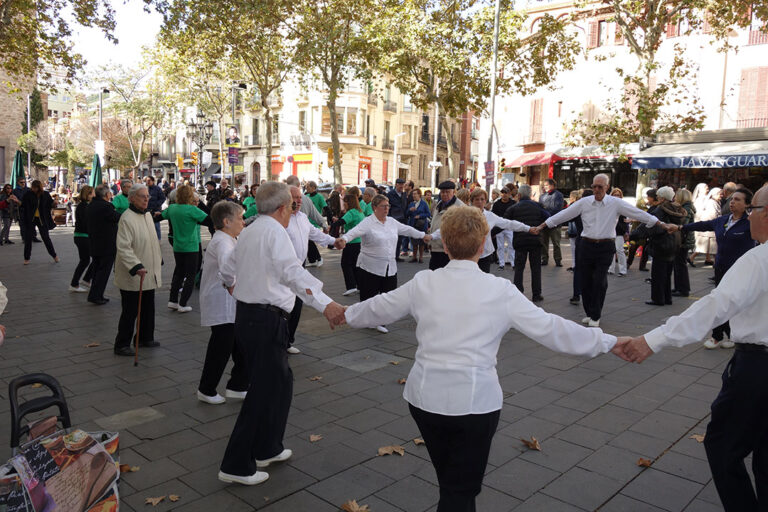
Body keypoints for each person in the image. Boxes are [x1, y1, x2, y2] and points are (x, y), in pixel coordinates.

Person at [336, 206, 629, 512]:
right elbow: (551, 328)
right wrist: (608, 342)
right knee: (460, 489)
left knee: (453, 482)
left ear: (445, 245)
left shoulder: (425, 283)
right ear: (482, 244)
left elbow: (378, 307)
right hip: (474, 404)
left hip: (425, 399)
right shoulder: (499, 290)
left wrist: (342, 313)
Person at [621, 185, 768, 512]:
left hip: (757, 371)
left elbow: (715, 306)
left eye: (752, 209)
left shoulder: (758, 260)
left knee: (722, 444)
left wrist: (652, 340)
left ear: (764, 214)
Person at [218, 182, 345, 486]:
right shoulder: (275, 232)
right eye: (291, 204)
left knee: (281, 383)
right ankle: (236, 464)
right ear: (281, 207)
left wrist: (233, 284)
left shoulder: (250, 230)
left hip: (254, 318)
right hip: (264, 320)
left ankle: (267, 447)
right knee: (263, 392)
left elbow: (229, 266)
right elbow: (293, 274)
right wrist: (326, 305)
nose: (294, 209)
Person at [533, 174, 668, 327]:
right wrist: (542, 226)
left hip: (605, 246)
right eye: (594, 186)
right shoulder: (584, 202)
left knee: (599, 281)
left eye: (600, 187)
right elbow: (563, 215)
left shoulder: (615, 203)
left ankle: (595, 315)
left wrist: (661, 224)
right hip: (586, 245)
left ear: (607, 188)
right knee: (585, 282)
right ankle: (590, 312)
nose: (596, 190)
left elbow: (638, 213)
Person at [672, 187, 756, 349]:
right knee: (721, 302)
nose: (732, 202)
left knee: (734, 304)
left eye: (737, 199)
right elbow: (703, 225)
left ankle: (729, 335)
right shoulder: (723, 220)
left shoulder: (750, 223)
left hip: (740, 271)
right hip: (720, 268)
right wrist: (681, 227)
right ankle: (720, 336)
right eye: (731, 199)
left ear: (747, 205)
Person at [336, 194, 432, 334]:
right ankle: (367, 319)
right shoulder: (368, 222)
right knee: (369, 295)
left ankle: (381, 321)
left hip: (389, 266)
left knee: (387, 295)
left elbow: (407, 229)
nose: (387, 208)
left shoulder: (392, 222)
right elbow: (354, 232)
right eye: (383, 206)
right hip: (370, 266)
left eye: (388, 206)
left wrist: (423, 235)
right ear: (375, 207)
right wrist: (344, 239)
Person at [197, 201, 249, 404]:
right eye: (240, 218)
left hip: (229, 301)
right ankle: (206, 388)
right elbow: (227, 267)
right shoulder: (222, 241)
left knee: (240, 345)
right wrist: (231, 284)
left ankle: (238, 384)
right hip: (222, 301)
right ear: (226, 222)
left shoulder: (228, 238)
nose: (243, 222)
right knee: (221, 347)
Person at [285, 186, 336, 354]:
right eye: (295, 197)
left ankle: (288, 341)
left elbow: (314, 233)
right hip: (284, 270)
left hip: (300, 267)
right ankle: (279, 341)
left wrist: (333, 241)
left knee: (297, 306)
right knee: (285, 307)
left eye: (300, 197)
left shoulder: (303, 217)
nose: (298, 201)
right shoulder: (282, 219)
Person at [113, 184, 162, 356]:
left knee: (148, 307)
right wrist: (136, 265)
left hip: (149, 270)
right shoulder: (127, 218)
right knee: (130, 311)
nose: (147, 199)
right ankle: (121, 344)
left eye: (147, 196)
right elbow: (124, 247)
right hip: (134, 272)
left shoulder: (147, 215)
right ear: (132, 198)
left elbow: (151, 240)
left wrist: (158, 258)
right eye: (142, 196)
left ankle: (144, 337)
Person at [629, 186, 686, 306]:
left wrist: (632, 235)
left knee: (658, 273)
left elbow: (650, 225)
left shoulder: (660, 210)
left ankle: (658, 298)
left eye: (659, 196)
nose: (657, 198)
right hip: (674, 243)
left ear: (662, 198)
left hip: (662, 243)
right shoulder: (677, 208)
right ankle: (667, 297)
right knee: (667, 273)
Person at [159, 185, 209, 313]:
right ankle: (183, 303)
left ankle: (173, 300)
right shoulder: (192, 209)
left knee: (179, 273)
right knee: (191, 276)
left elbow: (159, 217)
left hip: (177, 246)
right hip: (191, 246)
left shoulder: (172, 208)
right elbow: (209, 219)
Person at [503, 185, 550, 301]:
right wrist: (540, 228)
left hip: (520, 241)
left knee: (519, 268)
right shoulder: (538, 206)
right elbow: (549, 218)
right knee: (536, 268)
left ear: (519, 195)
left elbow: (504, 222)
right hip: (535, 241)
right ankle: (536, 294)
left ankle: (518, 293)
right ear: (530, 195)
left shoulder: (514, 208)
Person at [332, 193, 367, 295]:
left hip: (351, 242)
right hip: (360, 242)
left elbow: (342, 222)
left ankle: (351, 286)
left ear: (348, 202)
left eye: (345, 202)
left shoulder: (351, 212)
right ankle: (359, 286)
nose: (344, 204)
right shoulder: (360, 212)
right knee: (356, 265)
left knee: (346, 264)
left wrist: (331, 225)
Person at [428, 181, 464, 270]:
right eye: (442, 192)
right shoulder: (439, 204)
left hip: (448, 250)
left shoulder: (459, 207)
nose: (445, 194)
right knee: (434, 276)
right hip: (435, 248)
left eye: (447, 192)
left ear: (454, 192)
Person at [21, 180, 58, 265]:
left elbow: (50, 205)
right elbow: (23, 205)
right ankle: (26, 258)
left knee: (46, 238)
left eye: (34, 187)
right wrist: (17, 202)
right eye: (32, 187)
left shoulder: (45, 194)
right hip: (31, 219)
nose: (33, 189)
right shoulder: (28, 194)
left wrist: (55, 203)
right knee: (28, 239)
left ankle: (54, 255)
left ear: (38, 187)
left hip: (42, 219)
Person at [69, 186, 95, 293]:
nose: (94, 195)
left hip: (82, 236)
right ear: (87, 194)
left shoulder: (85, 206)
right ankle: (77, 282)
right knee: (90, 259)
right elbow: (86, 223)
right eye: (92, 193)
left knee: (86, 260)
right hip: (83, 236)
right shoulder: (84, 206)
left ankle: (84, 280)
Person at [672, 187, 695, 296]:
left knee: (680, 264)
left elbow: (683, 223)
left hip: (683, 240)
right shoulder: (687, 207)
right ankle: (679, 287)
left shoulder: (686, 209)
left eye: (677, 196)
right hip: (684, 240)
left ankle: (683, 289)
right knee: (679, 264)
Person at [539, 178, 564, 266]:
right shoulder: (542, 196)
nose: (545, 187)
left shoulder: (558, 195)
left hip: (555, 223)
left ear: (552, 185)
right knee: (543, 242)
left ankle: (558, 260)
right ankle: (544, 259)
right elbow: (540, 209)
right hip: (544, 223)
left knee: (556, 243)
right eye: (544, 185)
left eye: (546, 185)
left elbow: (557, 209)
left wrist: (546, 213)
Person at [492, 186, 516, 270]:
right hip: (499, 227)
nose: (504, 194)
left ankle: (513, 263)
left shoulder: (513, 203)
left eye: (506, 193)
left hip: (509, 227)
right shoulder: (496, 204)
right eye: (502, 192)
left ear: (509, 194)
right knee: (500, 246)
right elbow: (493, 217)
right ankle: (501, 263)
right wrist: (494, 230)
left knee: (511, 245)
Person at [698, 187, 723, 266]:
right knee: (714, 247)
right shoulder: (711, 203)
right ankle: (716, 264)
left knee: (713, 247)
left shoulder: (715, 202)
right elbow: (713, 215)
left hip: (713, 227)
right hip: (712, 227)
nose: (721, 196)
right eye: (720, 194)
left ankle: (714, 262)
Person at [304, 181, 327, 267]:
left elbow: (325, 207)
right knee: (307, 241)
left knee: (309, 240)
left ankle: (319, 258)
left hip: (315, 221)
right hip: (306, 221)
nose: (306, 188)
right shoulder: (306, 196)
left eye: (308, 187)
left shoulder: (319, 197)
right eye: (306, 187)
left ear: (313, 187)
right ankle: (312, 260)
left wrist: (326, 222)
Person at [607, 188, 629, 276]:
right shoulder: (609, 206)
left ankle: (623, 270)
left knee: (620, 250)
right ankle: (610, 269)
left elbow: (625, 221)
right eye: (615, 195)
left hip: (620, 232)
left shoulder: (622, 206)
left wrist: (626, 232)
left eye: (618, 195)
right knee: (611, 251)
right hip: (610, 231)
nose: (616, 196)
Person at [406, 188, 431, 263]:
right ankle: (414, 257)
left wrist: (420, 216)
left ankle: (420, 257)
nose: (413, 195)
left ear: (419, 195)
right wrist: (410, 210)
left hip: (422, 225)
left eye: (415, 194)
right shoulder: (411, 204)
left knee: (421, 242)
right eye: (413, 194)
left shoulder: (424, 204)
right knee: (414, 242)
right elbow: (406, 214)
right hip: (413, 224)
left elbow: (428, 214)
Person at [387, 178, 409, 261]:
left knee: (399, 238)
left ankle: (396, 256)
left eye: (402, 184)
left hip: (402, 219)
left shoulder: (404, 194)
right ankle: (391, 256)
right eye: (400, 184)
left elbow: (404, 206)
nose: (401, 186)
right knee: (392, 238)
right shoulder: (390, 194)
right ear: (396, 185)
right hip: (394, 218)